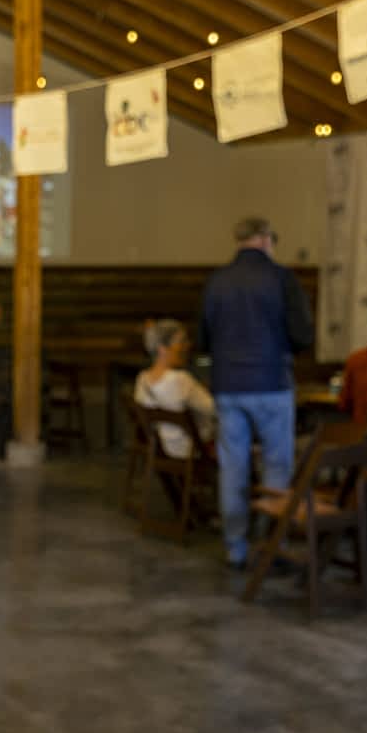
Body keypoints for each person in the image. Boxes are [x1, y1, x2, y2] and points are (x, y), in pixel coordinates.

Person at [200, 216, 315, 569]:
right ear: (265, 239)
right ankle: (271, 545)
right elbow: (303, 334)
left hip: (228, 384)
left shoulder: (217, 281)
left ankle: (235, 547)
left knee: (232, 467)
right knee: (276, 466)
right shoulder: (281, 278)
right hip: (271, 383)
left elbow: (203, 336)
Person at [133, 318, 216, 459]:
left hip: (161, 448)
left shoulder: (142, 379)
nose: (187, 346)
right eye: (181, 342)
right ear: (162, 348)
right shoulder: (180, 379)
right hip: (190, 450)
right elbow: (214, 409)